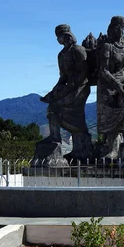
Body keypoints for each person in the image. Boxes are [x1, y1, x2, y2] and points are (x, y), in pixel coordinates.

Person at [39, 24, 92, 160]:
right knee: (52, 105)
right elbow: (62, 77)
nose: (58, 40)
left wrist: (71, 86)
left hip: (80, 88)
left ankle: (80, 145)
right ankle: (54, 137)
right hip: (68, 87)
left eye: (60, 37)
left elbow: (84, 72)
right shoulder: (61, 55)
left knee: (58, 107)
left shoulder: (78, 50)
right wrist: (53, 92)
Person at [96, 16, 124, 159]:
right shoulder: (108, 47)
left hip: (123, 82)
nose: (120, 30)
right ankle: (113, 148)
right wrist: (118, 86)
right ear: (112, 28)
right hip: (108, 85)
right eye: (118, 27)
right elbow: (103, 70)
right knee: (112, 115)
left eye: (123, 27)